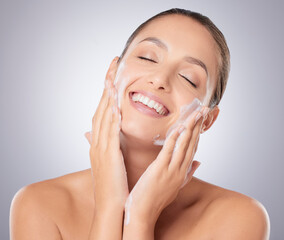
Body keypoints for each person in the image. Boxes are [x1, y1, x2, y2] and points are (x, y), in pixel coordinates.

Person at [10, 8, 270, 240]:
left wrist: (141, 216)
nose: (159, 79)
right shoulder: (38, 205)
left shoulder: (239, 219)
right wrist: (110, 205)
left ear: (207, 120)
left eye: (188, 78)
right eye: (147, 57)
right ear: (112, 73)